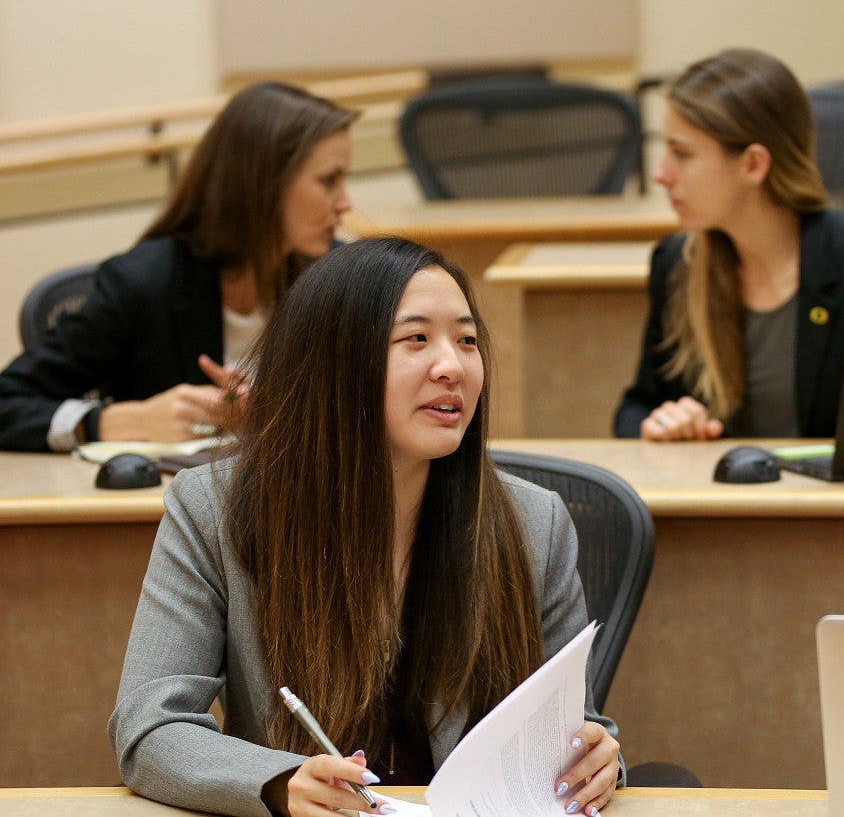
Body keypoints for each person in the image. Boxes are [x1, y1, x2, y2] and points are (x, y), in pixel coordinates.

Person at [109, 237, 622, 817]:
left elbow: (575, 728)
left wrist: (598, 758)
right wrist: (281, 782)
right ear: (337, 362)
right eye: (417, 339)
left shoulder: (534, 523)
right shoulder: (214, 510)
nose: (452, 366)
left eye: (468, 340)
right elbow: (150, 727)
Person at [0, 80, 356, 452]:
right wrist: (120, 420)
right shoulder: (144, 283)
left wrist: (269, 414)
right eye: (329, 180)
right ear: (264, 182)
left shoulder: (334, 274)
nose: (345, 202)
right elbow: (7, 402)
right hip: (165, 505)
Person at [613, 48, 844, 441]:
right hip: (717, 501)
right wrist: (659, 424)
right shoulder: (677, 263)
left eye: (681, 153)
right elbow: (634, 410)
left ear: (753, 165)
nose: (660, 174)